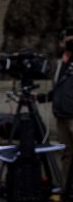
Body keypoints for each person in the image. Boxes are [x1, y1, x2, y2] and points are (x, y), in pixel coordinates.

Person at [38, 28, 73, 189]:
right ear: (61, 43)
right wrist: (42, 98)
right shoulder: (61, 63)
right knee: (66, 152)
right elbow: (58, 88)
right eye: (68, 41)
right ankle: (67, 187)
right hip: (61, 114)